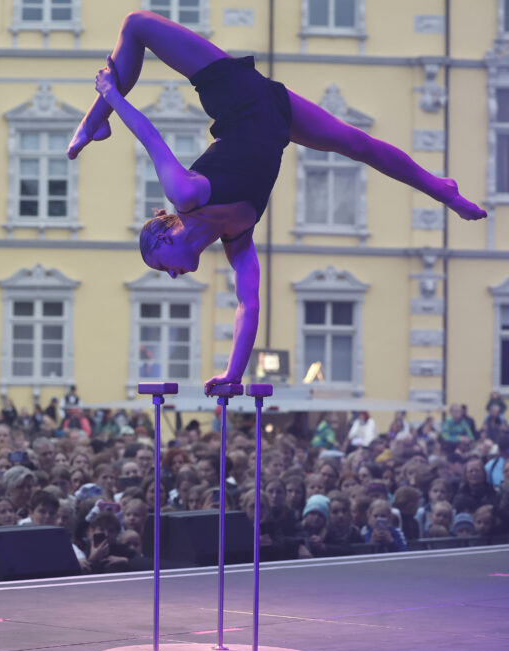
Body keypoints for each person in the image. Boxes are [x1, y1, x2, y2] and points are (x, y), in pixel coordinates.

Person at [74, 11, 486, 391]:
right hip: (277, 116)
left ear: (167, 235)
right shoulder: (237, 240)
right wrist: (232, 373)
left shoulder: (186, 194)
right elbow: (248, 306)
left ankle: (93, 121)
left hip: (233, 93)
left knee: (137, 24)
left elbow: (151, 137)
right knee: (359, 145)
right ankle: (94, 123)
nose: (173, 275)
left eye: (164, 266)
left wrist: (111, 95)